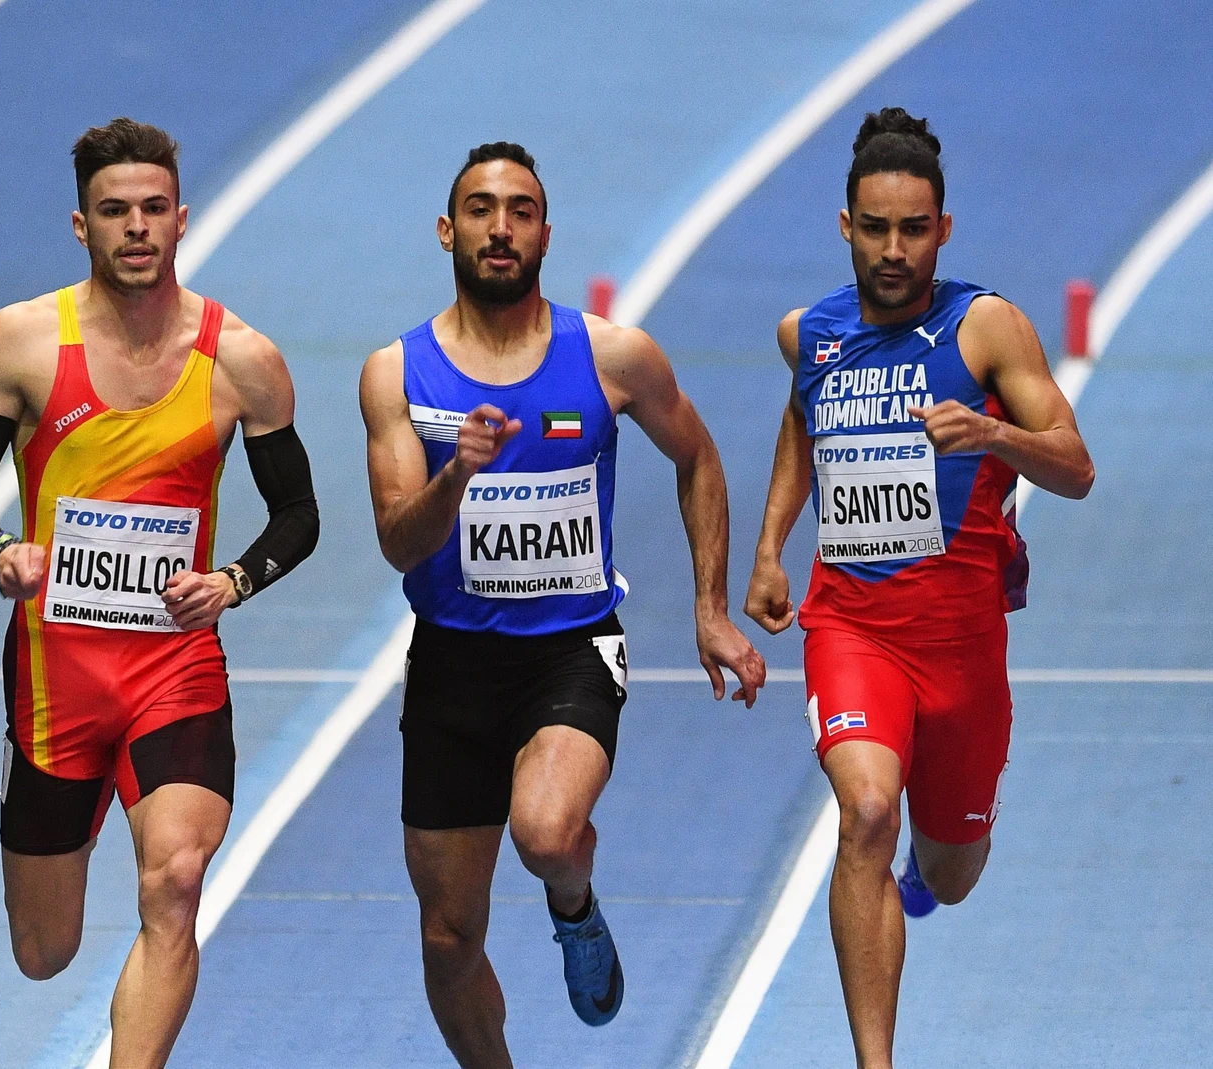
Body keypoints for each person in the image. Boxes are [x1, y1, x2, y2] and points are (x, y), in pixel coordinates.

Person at [358, 141, 765, 1068]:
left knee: (545, 833)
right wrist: (458, 470)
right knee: (448, 939)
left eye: (521, 211)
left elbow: (698, 458)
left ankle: (572, 897)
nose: (500, 228)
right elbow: (397, 542)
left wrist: (709, 609)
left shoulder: (613, 356)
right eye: (480, 209)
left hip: (571, 650)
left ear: (546, 233)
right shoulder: (396, 374)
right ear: (446, 229)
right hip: (452, 661)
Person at [0, 117, 319, 1069]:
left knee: (176, 879)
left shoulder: (242, 361)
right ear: (81, 226)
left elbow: (299, 514)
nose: (136, 228)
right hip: (56, 678)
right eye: (115, 212)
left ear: (181, 219)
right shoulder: (22, 342)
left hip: (173, 669)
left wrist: (234, 579)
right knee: (43, 950)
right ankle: (28, 794)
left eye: (153, 209)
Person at [744, 108, 1094, 1069]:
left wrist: (995, 437)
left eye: (913, 229)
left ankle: (925, 879)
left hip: (963, 647)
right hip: (853, 628)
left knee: (952, 867)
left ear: (943, 230)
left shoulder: (986, 328)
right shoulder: (807, 335)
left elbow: (1075, 465)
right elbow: (803, 426)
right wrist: (772, 545)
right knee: (863, 808)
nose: (893, 250)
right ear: (845, 227)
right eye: (874, 228)